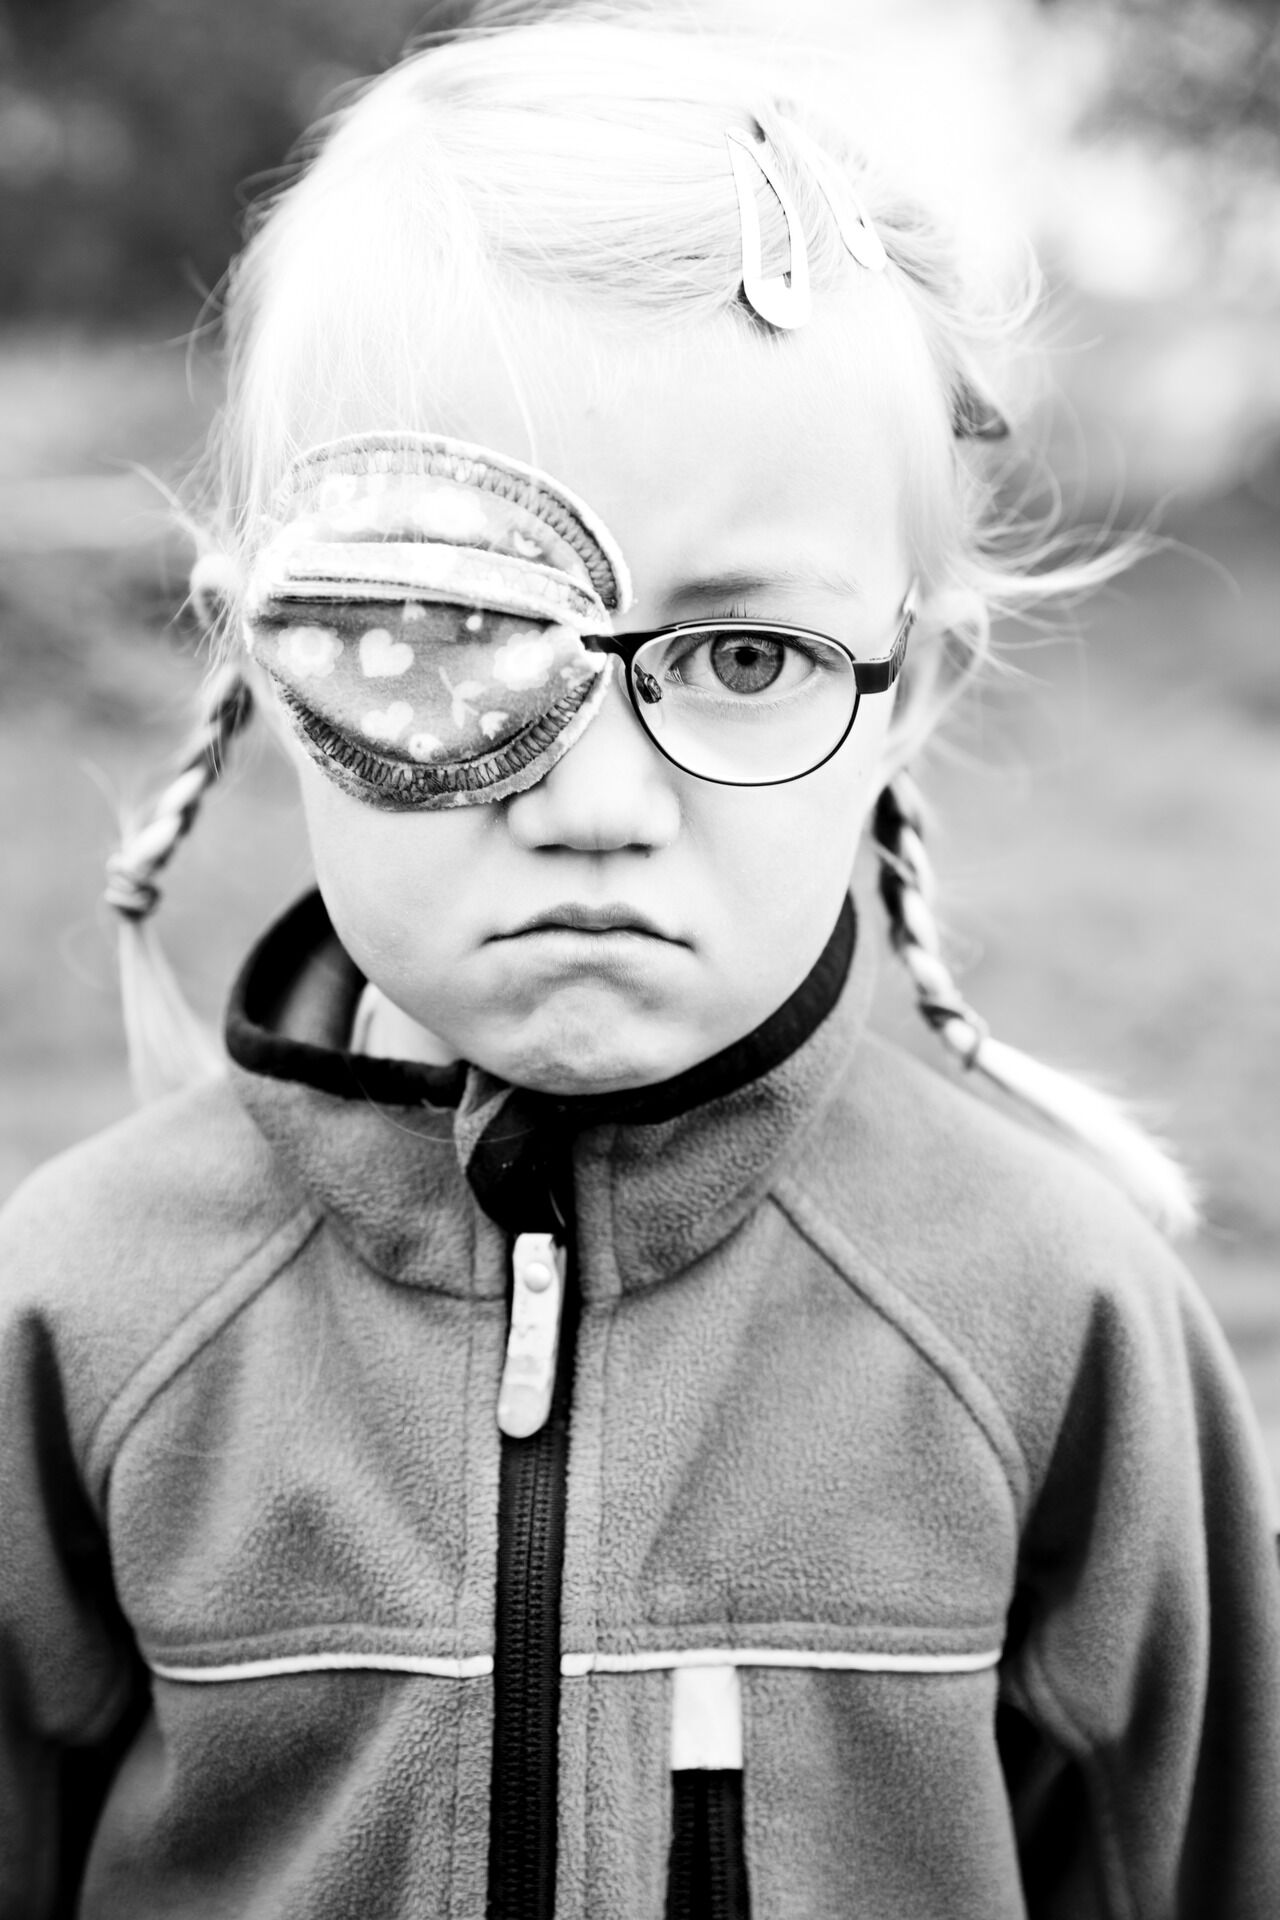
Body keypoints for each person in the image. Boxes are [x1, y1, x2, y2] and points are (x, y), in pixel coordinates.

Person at [2, 11, 1277, 1918]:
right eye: (451, 635)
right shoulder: (83, 1316)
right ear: (273, 660)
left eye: (746, 657)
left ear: (906, 692)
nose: (598, 809)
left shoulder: (1055, 1321)